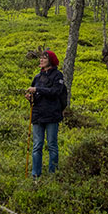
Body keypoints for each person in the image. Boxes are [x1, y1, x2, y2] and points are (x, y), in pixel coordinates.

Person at [25, 48, 65, 179]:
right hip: (38, 115)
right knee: (37, 145)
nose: (41, 60)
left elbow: (56, 92)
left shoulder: (58, 76)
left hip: (52, 115)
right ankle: (35, 175)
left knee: (52, 145)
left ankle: (53, 174)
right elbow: (35, 96)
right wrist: (31, 97)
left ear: (51, 61)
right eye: (40, 58)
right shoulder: (37, 77)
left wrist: (38, 89)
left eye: (44, 58)